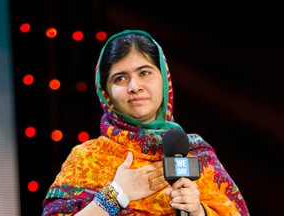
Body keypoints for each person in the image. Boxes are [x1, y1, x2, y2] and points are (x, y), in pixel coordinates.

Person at [42, 29, 250, 216]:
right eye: (120, 78)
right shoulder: (87, 159)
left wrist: (198, 211)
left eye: (145, 73)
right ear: (106, 93)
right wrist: (116, 194)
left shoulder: (197, 155)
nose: (134, 86)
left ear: (164, 79)